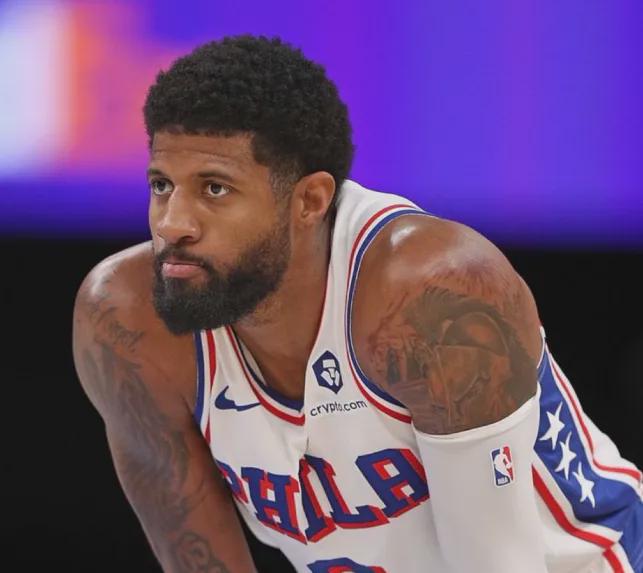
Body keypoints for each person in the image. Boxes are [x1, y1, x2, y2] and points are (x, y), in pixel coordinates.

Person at [72, 35, 643, 573]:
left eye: (214, 188)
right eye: (161, 185)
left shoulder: (429, 293)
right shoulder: (125, 322)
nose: (172, 224)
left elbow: (497, 563)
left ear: (310, 200)